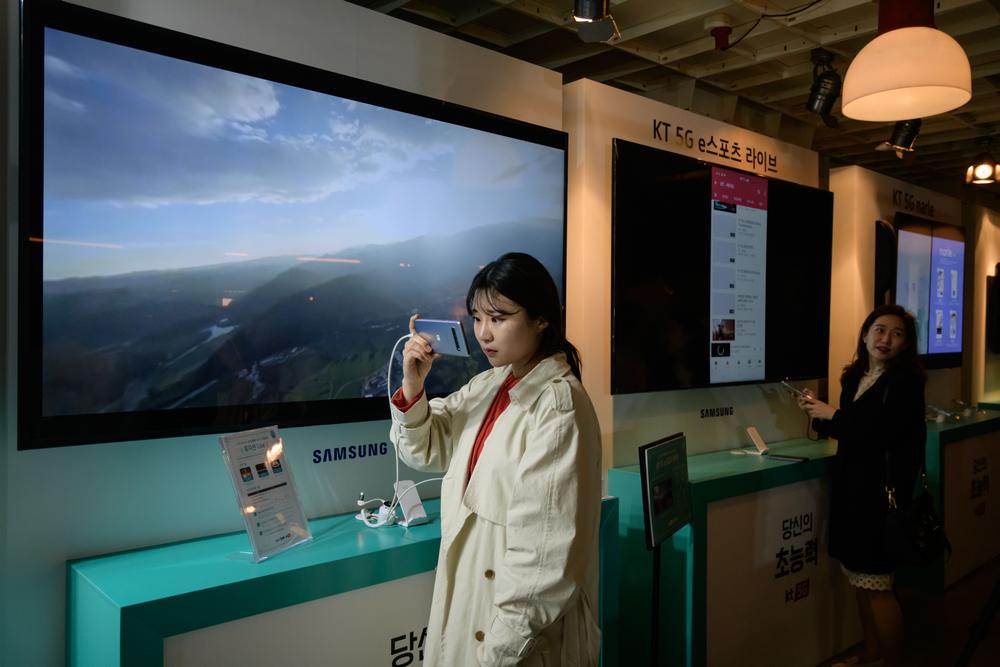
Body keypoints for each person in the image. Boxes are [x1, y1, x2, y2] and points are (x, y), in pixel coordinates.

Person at [389, 252, 603, 666]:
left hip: (515, 640)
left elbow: (542, 565)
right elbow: (425, 448)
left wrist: (497, 655)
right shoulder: (492, 382)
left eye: (499, 318)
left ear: (541, 319)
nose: (484, 333)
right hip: (474, 612)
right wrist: (413, 386)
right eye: (476, 318)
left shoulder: (557, 406)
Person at [796, 304, 926, 667]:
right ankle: (873, 653)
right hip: (852, 490)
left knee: (878, 585)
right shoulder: (854, 377)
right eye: (879, 329)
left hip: (879, 497)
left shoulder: (905, 383)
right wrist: (817, 412)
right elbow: (851, 429)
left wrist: (833, 415)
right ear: (866, 333)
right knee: (860, 580)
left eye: (897, 333)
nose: (886, 339)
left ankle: (893, 660)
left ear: (906, 344)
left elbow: (881, 435)